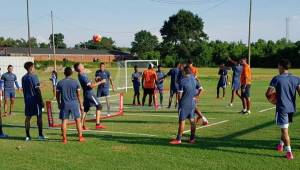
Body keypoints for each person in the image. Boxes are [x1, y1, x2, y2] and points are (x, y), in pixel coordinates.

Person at [265, 59, 300, 160]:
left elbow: (268, 93)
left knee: (284, 130)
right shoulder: (296, 78)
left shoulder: (276, 79)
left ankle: (289, 152)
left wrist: (273, 100)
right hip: (291, 108)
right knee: (285, 127)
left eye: (278, 65)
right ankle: (280, 145)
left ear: (281, 66)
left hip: (282, 108)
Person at [170, 65, 202, 145]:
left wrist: (178, 102)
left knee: (182, 121)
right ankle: (192, 139)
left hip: (184, 104)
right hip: (192, 103)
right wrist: (196, 96)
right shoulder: (194, 79)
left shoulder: (182, 81)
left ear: (184, 72)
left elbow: (180, 95)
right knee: (192, 120)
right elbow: (200, 88)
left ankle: (179, 139)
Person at [56, 67, 85, 144]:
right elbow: (79, 95)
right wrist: (81, 105)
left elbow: (57, 95)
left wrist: (59, 103)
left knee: (64, 121)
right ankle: (80, 137)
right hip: (74, 104)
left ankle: (64, 139)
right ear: (71, 73)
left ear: (64, 73)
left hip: (64, 104)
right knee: (78, 121)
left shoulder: (60, 83)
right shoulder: (75, 82)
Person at [74, 63, 106, 130]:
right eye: (81, 65)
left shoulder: (83, 74)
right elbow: (91, 86)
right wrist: (101, 82)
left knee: (85, 109)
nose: (83, 65)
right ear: (79, 68)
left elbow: (89, 83)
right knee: (99, 106)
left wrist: (95, 79)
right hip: (89, 94)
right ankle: (97, 124)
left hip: (86, 93)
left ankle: (82, 126)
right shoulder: (82, 76)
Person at [22, 62, 46, 141]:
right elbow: (37, 90)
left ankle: (27, 136)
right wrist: (41, 101)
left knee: (28, 117)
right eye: (33, 67)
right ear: (31, 67)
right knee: (39, 117)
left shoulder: (23, 77)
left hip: (27, 100)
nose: (34, 68)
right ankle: (40, 135)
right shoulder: (34, 77)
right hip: (35, 100)